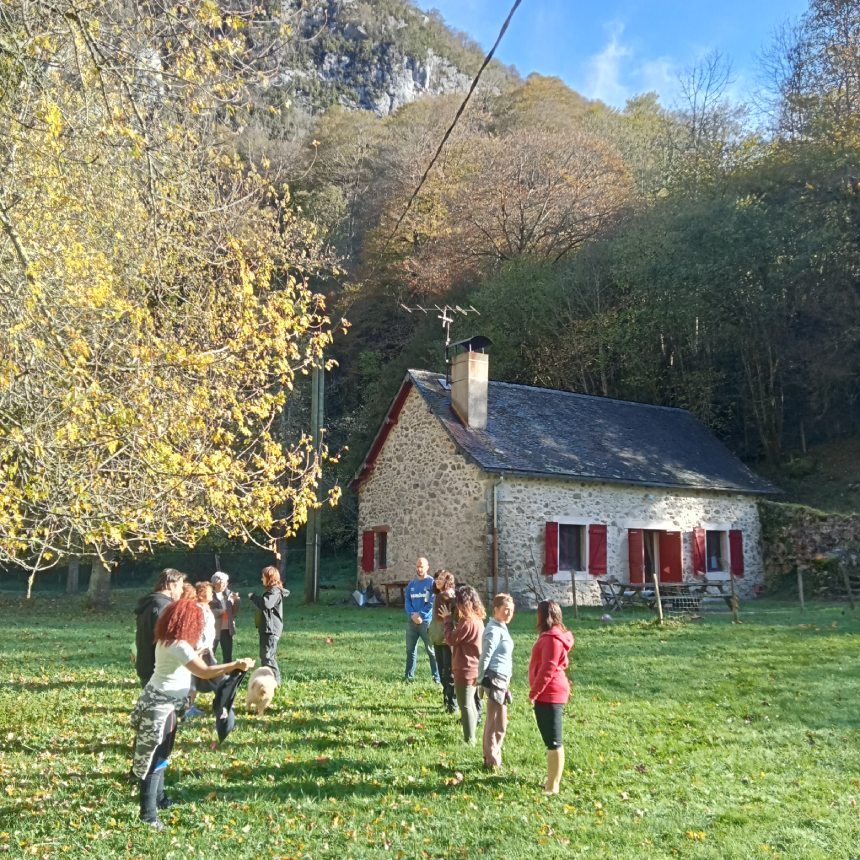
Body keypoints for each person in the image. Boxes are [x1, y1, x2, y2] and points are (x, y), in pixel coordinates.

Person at [130, 599, 255, 829]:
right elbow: (204, 671)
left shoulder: (166, 641)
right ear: (188, 622)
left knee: (162, 755)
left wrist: (197, 652)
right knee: (155, 760)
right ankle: (148, 816)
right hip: (162, 707)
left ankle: (160, 800)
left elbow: (184, 662)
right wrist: (235, 664)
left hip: (156, 701)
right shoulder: (179, 646)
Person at [528, 599, 574, 795]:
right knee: (550, 740)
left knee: (554, 740)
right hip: (548, 692)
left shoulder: (552, 639)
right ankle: (550, 780)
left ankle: (554, 785)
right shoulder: (550, 636)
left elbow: (548, 669)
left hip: (550, 693)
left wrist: (534, 692)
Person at [439, 585, 485, 744]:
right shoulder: (478, 619)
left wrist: (447, 619)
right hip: (475, 668)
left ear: (462, 602)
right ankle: (471, 737)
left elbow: (451, 639)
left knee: (465, 706)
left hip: (464, 668)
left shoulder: (466, 621)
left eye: (457, 602)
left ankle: (469, 740)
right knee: (471, 704)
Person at [478, 593, 515, 769]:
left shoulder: (501, 628)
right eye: (505, 609)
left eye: (511, 610)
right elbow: (485, 656)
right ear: (496, 610)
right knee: (494, 722)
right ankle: (492, 760)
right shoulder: (493, 630)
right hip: (494, 678)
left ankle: (493, 756)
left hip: (502, 680)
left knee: (501, 722)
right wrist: (480, 680)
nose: (509, 613)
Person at [134, 569, 186, 688]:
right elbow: (166, 639)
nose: (182, 591)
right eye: (180, 587)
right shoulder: (164, 606)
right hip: (158, 669)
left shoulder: (151, 602)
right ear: (171, 586)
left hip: (146, 664)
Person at [249, 566, 289, 686]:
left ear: (270, 578)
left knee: (268, 656)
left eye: (263, 577)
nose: (262, 579)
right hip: (267, 628)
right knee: (265, 655)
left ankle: (276, 682)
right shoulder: (272, 591)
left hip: (271, 629)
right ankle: (267, 680)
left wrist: (253, 597)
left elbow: (265, 604)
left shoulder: (275, 591)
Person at [404, 557, 440, 684]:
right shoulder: (411, 584)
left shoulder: (431, 583)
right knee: (410, 651)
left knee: (431, 651)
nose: (419, 569)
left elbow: (431, 603)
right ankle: (409, 676)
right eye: (417, 566)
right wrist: (412, 614)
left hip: (426, 622)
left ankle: (436, 677)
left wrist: (420, 615)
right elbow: (407, 601)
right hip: (411, 622)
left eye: (422, 566)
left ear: (427, 567)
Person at [184, 582, 217, 719]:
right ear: (201, 594)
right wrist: (199, 648)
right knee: (192, 680)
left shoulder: (206, 608)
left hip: (206, 648)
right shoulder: (197, 609)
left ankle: (190, 706)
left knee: (198, 679)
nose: (212, 594)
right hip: (198, 648)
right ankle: (187, 709)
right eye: (209, 591)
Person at [428, 570, 456, 711]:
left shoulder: (449, 596)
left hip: (447, 638)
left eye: (440, 578)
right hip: (438, 637)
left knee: (449, 672)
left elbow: (452, 618)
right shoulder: (438, 595)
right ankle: (446, 700)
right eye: (436, 578)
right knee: (442, 670)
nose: (437, 581)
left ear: (447, 581)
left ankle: (453, 704)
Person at [210, 571, 240, 662]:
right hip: (213, 628)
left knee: (227, 655)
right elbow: (204, 610)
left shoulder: (229, 594)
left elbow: (234, 612)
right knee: (210, 654)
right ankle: (208, 674)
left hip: (227, 628)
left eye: (226, 582)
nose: (225, 585)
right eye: (222, 583)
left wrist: (237, 601)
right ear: (215, 583)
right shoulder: (209, 594)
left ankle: (227, 675)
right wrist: (217, 612)